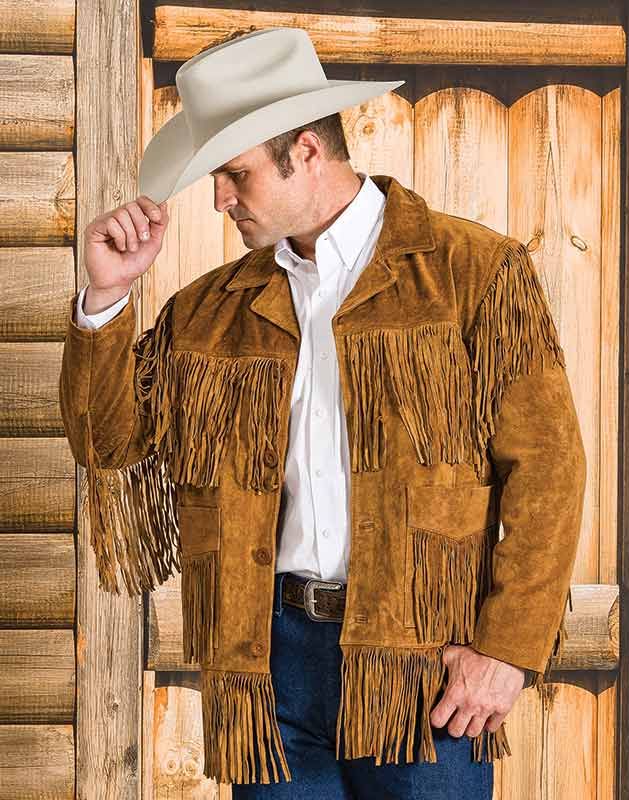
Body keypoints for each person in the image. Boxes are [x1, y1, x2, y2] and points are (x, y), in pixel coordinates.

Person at [59, 27, 586, 800]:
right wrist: (106, 297)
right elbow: (106, 443)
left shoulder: (473, 274)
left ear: (306, 151)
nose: (220, 199)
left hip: (422, 668)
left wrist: (506, 651)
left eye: (235, 174)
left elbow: (548, 468)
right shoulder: (211, 311)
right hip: (266, 668)